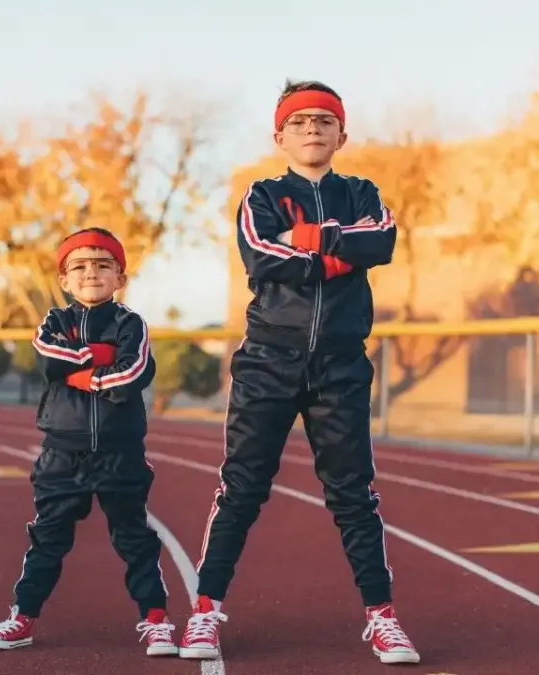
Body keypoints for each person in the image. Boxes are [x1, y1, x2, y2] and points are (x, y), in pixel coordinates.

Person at [176, 80, 421, 665]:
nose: (312, 128)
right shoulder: (261, 195)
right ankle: (205, 613)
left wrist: (309, 242)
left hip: (340, 365)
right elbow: (262, 255)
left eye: (323, 120)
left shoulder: (362, 192)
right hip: (267, 362)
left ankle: (383, 618)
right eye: (300, 121)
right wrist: (337, 255)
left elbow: (381, 240)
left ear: (342, 133)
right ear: (279, 135)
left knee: (354, 495)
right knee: (241, 489)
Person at [0, 227, 176, 657]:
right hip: (61, 455)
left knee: (134, 538)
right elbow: (49, 358)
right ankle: (22, 617)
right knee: (47, 537)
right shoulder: (54, 321)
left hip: (121, 454)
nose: (91, 273)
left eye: (104, 265)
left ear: (120, 278)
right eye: (79, 266)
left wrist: (79, 371)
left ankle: (156, 620)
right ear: (64, 279)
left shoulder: (131, 324)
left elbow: (132, 375)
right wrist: (100, 357)